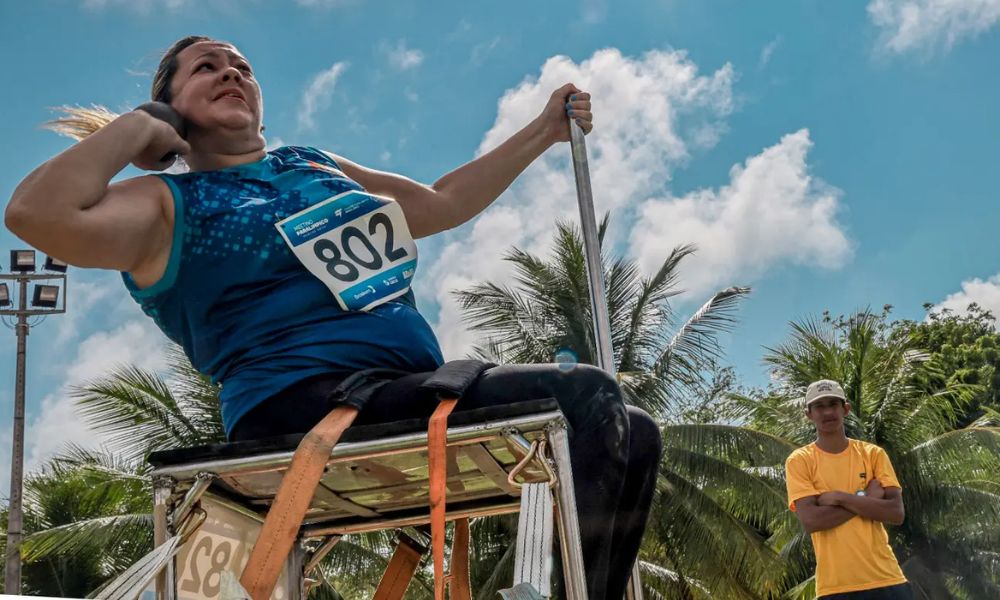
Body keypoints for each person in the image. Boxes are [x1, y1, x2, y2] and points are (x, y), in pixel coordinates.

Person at [5, 35, 662, 599]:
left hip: (403, 388)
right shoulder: (164, 203)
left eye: (242, 66)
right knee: (588, 393)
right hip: (299, 400)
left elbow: (440, 201)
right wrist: (135, 128)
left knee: (635, 429)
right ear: (169, 104)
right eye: (207, 67)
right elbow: (35, 214)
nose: (233, 72)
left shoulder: (312, 165)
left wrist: (543, 131)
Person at [785, 379, 911, 600]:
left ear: (846, 409)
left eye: (833, 403)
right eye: (819, 406)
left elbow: (895, 513)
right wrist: (866, 498)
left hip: (889, 580)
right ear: (809, 414)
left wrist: (838, 498)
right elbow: (812, 521)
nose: (827, 412)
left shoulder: (873, 455)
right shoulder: (800, 461)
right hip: (836, 589)